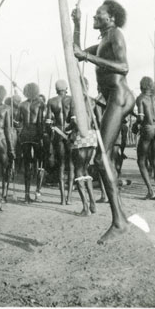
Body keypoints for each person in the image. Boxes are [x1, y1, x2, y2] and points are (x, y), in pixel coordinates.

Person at [72, 0, 135, 243]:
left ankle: (118, 222)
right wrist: (76, 23)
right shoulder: (102, 41)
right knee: (103, 158)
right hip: (111, 98)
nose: (95, 17)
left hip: (119, 96)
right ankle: (121, 218)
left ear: (111, 18)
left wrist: (88, 56)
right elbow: (75, 51)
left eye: (99, 14)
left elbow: (124, 67)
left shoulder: (115, 35)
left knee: (100, 158)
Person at [66, 77, 97, 216]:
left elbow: (73, 121)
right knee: (85, 170)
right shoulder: (92, 100)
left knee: (78, 172)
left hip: (80, 136)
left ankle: (85, 207)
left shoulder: (75, 100)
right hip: (91, 136)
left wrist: (67, 130)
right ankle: (93, 203)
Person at [46, 80, 74, 205]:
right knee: (71, 165)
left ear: (56, 89)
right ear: (66, 88)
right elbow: (74, 120)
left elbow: (47, 122)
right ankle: (69, 198)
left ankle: (62, 199)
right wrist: (69, 131)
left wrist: (52, 131)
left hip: (58, 134)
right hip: (70, 135)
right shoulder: (71, 99)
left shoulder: (51, 101)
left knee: (61, 166)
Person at [18, 82, 45, 204]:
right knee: (39, 164)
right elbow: (40, 123)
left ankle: (26, 195)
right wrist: (42, 137)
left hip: (24, 135)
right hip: (36, 134)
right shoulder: (40, 104)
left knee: (27, 165)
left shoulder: (22, 105)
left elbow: (18, 122)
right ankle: (38, 191)